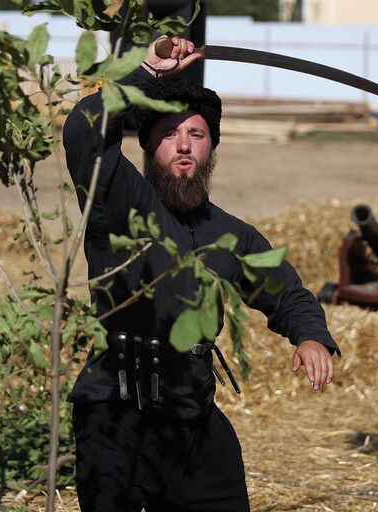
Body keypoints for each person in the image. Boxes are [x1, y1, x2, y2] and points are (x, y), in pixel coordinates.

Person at [62, 36, 341, 512]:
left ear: (212, 148)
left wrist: (311, 336)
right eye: (169, 134)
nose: (184, 145)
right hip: (115, 415)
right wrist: (147, 74)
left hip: (190, 413)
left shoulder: (232, 234)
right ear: (148, 146)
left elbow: (287, 293)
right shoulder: (120, 202)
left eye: (197, 134)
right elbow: (85, 130)